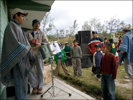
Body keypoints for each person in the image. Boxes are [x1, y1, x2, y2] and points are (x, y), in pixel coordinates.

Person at [0, 8, 40, 99]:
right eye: (22, 16)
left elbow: (25, 44)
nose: (23, 19)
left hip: (23, 60)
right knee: (20, 85)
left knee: (23, 85)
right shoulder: (11, 26)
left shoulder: (18, 28)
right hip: (18, 61)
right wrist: (30, 48)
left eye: (24, 17)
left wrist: (30, 49)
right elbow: (15, 45)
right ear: (16, 16)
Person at [26, 19, 48, 94]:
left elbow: (46, 42)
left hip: (38, 53)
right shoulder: (28, 33)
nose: (37, 25)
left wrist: (39, 43)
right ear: (33, 25)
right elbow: (24, 41)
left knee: (40, 70)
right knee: (30, 70)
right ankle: (34, 86)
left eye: (38, 23)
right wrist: (30, 41)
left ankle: (40, 87)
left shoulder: (42, 33)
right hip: (29, 53)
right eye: (35, 23)